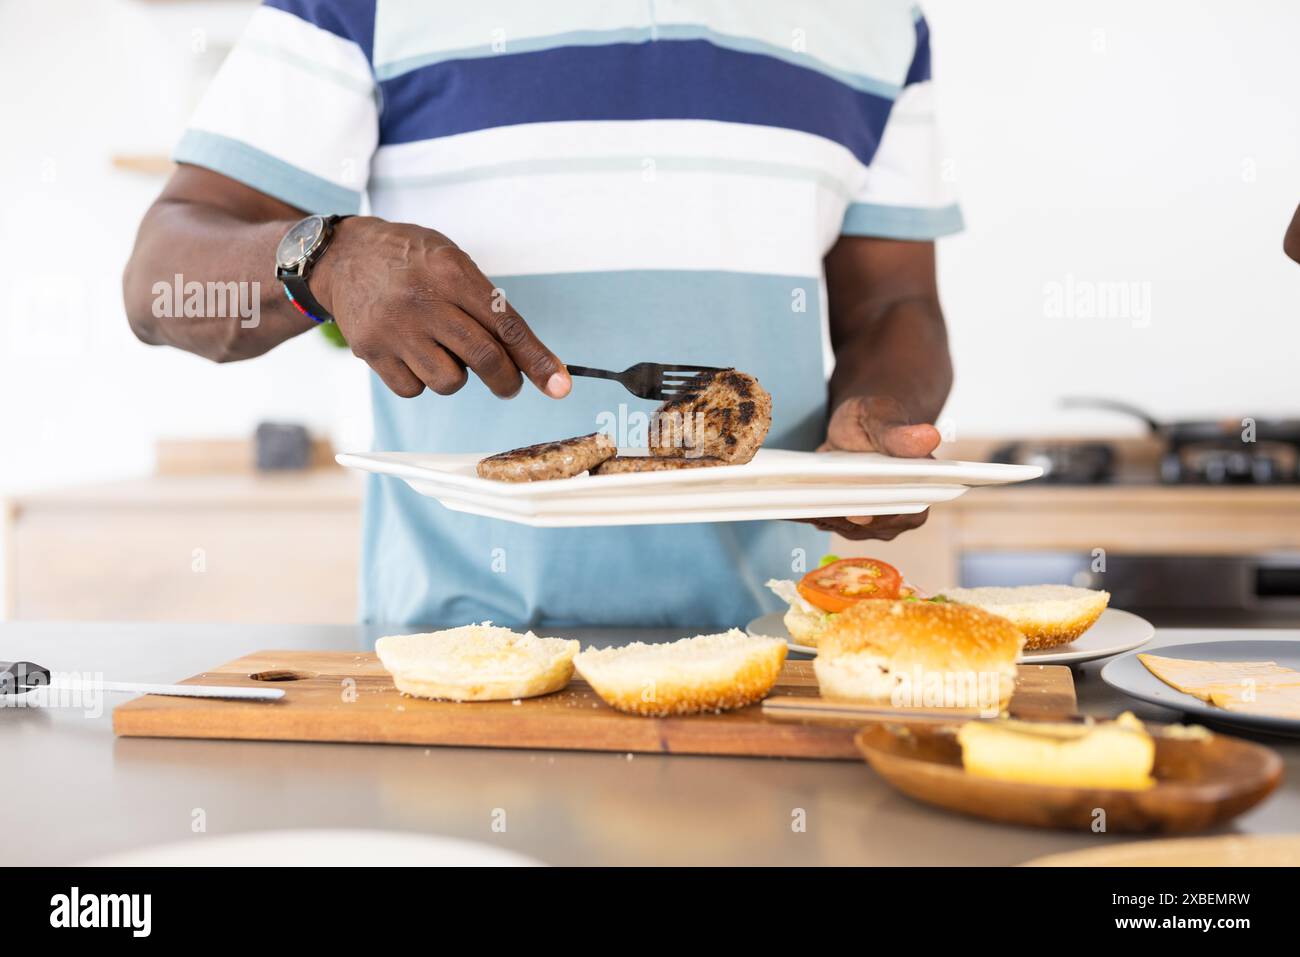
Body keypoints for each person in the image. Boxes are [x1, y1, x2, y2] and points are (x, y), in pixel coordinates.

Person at [123, 1, 962, 628]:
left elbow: (897, 302)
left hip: (774, 649)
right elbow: (159, 281)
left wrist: (877, 424)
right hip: (457, 668)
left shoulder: (880, 17)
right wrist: (327, 258)